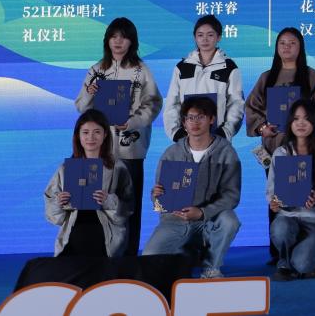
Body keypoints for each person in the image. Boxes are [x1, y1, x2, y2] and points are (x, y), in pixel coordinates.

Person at [74, 17, 162, 255]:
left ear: (132, 41)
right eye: (113, 37)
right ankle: (96, 253)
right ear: (107, 40)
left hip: (129, 149)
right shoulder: (97, 70)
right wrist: (89, 93)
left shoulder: (141, 71)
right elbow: (81, 107)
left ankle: (128, 255)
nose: (118, 41)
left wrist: (132, 122)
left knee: (128, 204)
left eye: (123, 37)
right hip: (98, 150)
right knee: (95, 201)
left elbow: (153, 103)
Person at [246, 27, 315, 264]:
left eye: (292, 43)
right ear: (276, 48)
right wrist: (262, 128)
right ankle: (279, 252)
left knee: (305, 198)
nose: (287, 47)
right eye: (282, 43)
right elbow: (251, 107)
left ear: (300, 47)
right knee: (276, 200)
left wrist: (305, 128)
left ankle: (305, 250)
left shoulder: (310, 76)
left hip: (304, 148)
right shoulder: (267, 77)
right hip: (274, 150)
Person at [143, 95, 242, 279]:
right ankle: (189, 252)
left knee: (230, 221)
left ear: (211, 119)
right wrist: (155, 195)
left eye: (201, 117)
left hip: (209, 219)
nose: (195, 122)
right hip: (176, 220)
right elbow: (159, 200)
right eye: (190, 117)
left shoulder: (226, 152)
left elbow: (231, 195)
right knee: (149, 257)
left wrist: (203, 212)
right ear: (184, 122)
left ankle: (211, 268)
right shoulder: (171, 153)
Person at [44, 110, 135, 261]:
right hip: (74, 230)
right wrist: (59, 203)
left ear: (105, 135)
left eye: (97, 132)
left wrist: (109, 201)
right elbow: (53, 216)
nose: (90, 137)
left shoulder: (117, 168)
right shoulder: (65, 169)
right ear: (78, 136)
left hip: (106, 233)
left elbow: (128, 208)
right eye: (85, 132)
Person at [267, 99, 315, 281]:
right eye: (296, 118)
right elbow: (271, 189)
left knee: (302, 265)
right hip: (288, 216)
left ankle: (310, 257)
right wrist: (273, 202)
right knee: (280, 228)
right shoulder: (281, 153)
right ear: (290, 122)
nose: (300, 123)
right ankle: (284, 262)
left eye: (306, 119)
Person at [164, 14, 244, 141]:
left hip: (218, 138)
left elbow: (236, 104)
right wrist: (176, 133)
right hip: (187, 139)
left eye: (210, 35)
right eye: (200, 35)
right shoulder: (182, 67)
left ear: (219, 37)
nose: (205, 39)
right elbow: (172, 103)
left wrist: (225, 132)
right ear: (195, 38)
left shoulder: (229, 67)